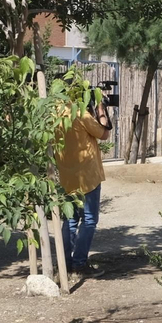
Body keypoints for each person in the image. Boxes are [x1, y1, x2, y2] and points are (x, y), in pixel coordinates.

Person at [57, 94, 112, 274]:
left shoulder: (53, 113)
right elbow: (104, 134)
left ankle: (65, 264)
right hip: (88, 175)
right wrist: (101, 111)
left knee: (70, 220)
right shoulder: (80, 113)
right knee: (89, 220)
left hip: (67, 176)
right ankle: (79, 263)